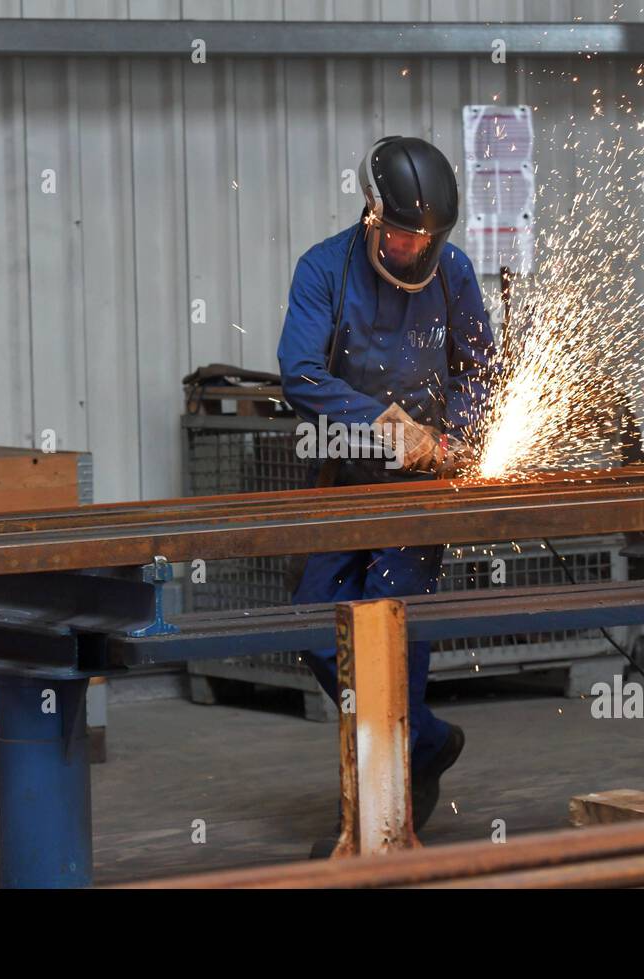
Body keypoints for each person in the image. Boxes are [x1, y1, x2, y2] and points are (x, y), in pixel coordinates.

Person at [277, 135, 496, 853]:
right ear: (372, 213)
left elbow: (480, 372)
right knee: (314, 625)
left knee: (392, 635)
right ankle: (426, 741)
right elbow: (301, 376)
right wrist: (379, 424)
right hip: (345, 480)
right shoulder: (323, 270)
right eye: (404, 233)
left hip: (422, 493)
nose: (414, 247)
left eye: (427, 236)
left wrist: (453, 434)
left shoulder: (454, 272)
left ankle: (378, 824)